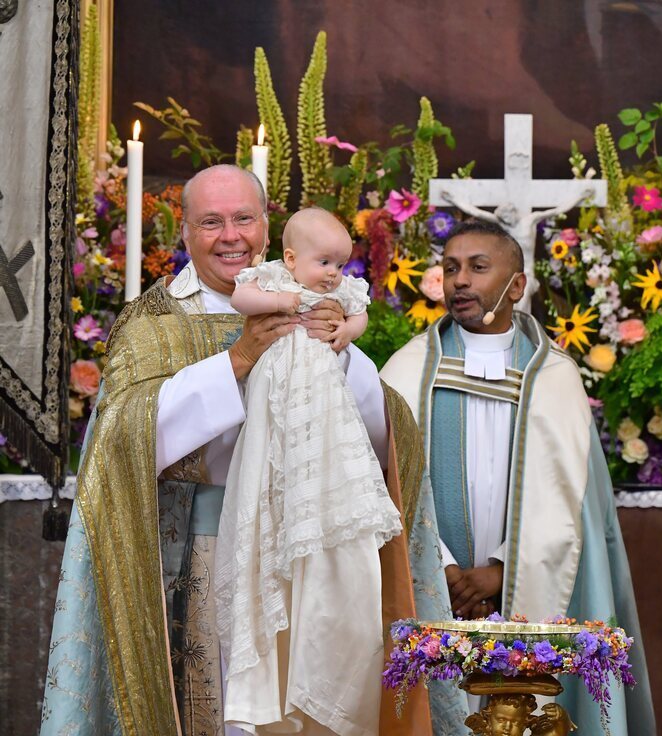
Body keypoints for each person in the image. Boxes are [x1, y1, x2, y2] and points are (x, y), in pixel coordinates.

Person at [40, 165, 446, 736]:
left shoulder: (321, 300)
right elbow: (119, 440)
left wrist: (339, 355)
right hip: (196, 559)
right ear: (184, 235)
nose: (230, 236)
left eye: (243, 219)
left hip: (309, 551)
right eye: (211, 222)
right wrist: (237, 361)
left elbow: (387, 438)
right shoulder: (157, 321)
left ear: (268, 228)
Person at [380, 219, 656, 736]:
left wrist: (505, 571)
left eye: (478, 268)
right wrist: (438, 566)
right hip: (435, 584)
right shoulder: (405, 370)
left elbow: (572, 499)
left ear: (516, 286)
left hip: (526, 585)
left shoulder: (556, 378)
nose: (460, 280)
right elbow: (388, 484)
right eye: (451, 268)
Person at [216, 207, 402, 734]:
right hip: (273, 431)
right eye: (325, 262)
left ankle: (326, 698)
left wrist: (345, 329)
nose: (334, 273)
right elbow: (243, 297)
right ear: (291, 257)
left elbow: (359, 315)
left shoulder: (335, 292)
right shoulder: (273, 280)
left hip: (323, 429)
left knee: (330, 535)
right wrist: (287, 301)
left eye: (341, 263)